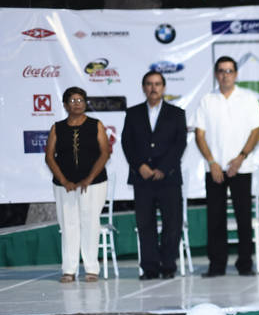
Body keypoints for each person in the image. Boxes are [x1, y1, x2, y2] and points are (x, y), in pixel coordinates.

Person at [193, 55, 259, 277]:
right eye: (221, 71)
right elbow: (199, 134)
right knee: (215, 219)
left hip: (241, 168)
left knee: (243, 217)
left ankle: (245, 264)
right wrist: (212, 162)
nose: (225, 75)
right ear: (216, 75)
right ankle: (216, 265)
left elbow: (256, 131)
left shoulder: (248, 99)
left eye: (229, 71)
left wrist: (240, 157)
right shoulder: (207, 100)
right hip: (215, 169)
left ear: (236, 74)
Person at [121, 70, 188, 279]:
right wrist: (139, 166)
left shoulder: (177, 113)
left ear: (164, 87)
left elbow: (180, 143)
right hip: (142, 179)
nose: (153, 88)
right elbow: (127, 143)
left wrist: (163, 168)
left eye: (157, 84)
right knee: (145, 225)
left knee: (172, 224)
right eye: (149, 84)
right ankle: (149, 268)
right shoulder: (133, 113)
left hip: (169, 178)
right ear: (144, 88)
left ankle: (168, 266)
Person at [44, 87, 111, 283]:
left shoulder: (96, 125)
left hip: (93, 184)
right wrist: (64, 181)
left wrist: (89, 178)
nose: (77, 104)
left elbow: (105, 153)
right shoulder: (57, 127)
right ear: (65, 105)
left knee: (90, 223)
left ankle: (91, 269)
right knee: (68, 225)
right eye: (72, 101)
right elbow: (49, 157)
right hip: (64, 186)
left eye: (80, 100)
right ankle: (69, 270)